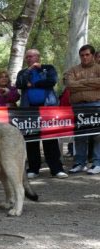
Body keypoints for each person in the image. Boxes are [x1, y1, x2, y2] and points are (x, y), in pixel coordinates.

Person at [15, 48, 68, 179]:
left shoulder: (48, 68)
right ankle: (33, 168)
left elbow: (51, 81)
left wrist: (33, 83)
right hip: (29, 109)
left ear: (38, 57)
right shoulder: (23, 72)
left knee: (50, 138)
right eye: (27, 57)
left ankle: (56, 169)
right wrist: (29, 71)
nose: (29, 59)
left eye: (31, 56)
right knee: (32, 138)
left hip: (47, 108)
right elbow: (19, 84)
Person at [64, 44, 100, 175]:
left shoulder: (98, 68)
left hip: (96, 105)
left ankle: (97, 163)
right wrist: (91, 83)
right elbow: (69, 85)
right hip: (78, 106)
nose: (84, 57)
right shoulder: (73, 70)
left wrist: (80, 83)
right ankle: (80, 163)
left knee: (97, 135)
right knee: (79, 135)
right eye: (82, 55)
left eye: (87, 55)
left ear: (93, 55)